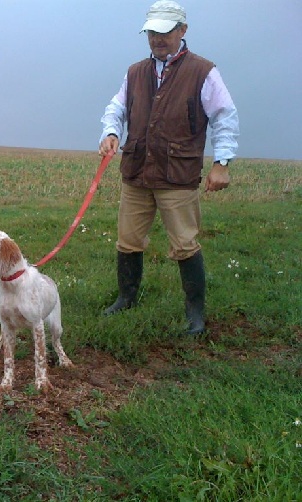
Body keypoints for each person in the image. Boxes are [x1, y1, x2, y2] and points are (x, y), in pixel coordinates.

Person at [98, 0, 239, 335]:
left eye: (164, 32)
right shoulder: (135, 72)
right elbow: (115, 108)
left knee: (185, 244)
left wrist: (221, 164)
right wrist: (111, 132)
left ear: (182, 31)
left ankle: (195, 314)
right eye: (151, 32)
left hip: (177, 176)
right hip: (136, 173)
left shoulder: (203, 71)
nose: (157, 39)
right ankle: (126, 299)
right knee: (127, 240)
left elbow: (224, 118)